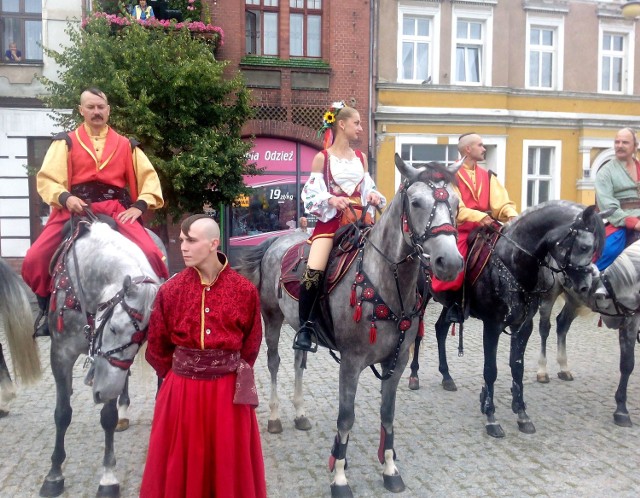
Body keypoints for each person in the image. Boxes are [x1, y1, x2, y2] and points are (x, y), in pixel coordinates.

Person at [22, 88, 168, 337]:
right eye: (91, 107)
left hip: (114, 209)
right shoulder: (65, 142)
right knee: (34, 258)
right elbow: (47, 179)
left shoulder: (126, 145)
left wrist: (138, 206)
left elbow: (149, 180)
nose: (96, 112)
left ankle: (156, 312)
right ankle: (47, 311)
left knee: (153, 254)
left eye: (101, 107)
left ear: (108, 110)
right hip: (75, 209)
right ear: (81, 110)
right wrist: (66, 198)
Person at [140, 214, 266, 498]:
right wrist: (181, 379)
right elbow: (157, 347)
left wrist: (222, 369)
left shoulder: (244, 291)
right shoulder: (170, 291)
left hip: (228, 397)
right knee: (180, 464)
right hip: (182, 393)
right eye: (182, 240)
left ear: (213, 244)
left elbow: (252, 345)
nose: (183, 246)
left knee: (226, 464)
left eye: (191, 240)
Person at [293, 101, 386, 352]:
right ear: (342, 125)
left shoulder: (361, 158)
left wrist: (374, 196)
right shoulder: (322, 158)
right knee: (314, 268)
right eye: (356, 123)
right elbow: (310, 194)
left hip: (360, 221)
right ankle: (306, 327)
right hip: (331, 223)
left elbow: (367, 187)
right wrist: (331, 199)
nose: (360, 128)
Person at [430, 133, 518, 323]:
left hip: (488, 228)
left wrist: (511, 214)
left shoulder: (488, 176)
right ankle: (454, 303)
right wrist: (480, 216)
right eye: (480, 145)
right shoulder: (449, 175)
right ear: (468, 149)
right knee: (458, 258)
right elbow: (457, 208)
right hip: (461, 229)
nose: (484, 149)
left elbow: (500, 202)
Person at [595, 127, 640, 270]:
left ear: (635, 146)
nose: (619, 146)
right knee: (610, 250)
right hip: (619, 221)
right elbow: (608, 206)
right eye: (617, 142)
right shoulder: (605, 172)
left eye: (625, 142)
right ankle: (594, 283)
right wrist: (634, 223)